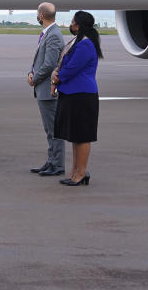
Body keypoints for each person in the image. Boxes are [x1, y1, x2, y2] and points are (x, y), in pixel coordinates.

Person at [51, 11, 102, 186]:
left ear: (78, 25)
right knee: (75, 136)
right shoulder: (78, 42)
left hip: (81, 95)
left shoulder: (84, 45)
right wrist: (57, 75)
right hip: (72, 94)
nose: (70, 25)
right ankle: (75, 172)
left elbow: (72, 68)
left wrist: (57, 77)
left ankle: (80, 173)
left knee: (82, 136)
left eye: (72, 22)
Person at [27, 2, 65, 176]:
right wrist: (31, 72)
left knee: (53, 129)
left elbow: (50, 64)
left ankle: (57, 165)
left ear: (41, 15)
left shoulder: (54, 35)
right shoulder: (48, 34)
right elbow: (41, 60)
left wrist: (34, 79)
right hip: (42, 89)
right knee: (49, 130)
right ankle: (51, 162)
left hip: (48, 90)